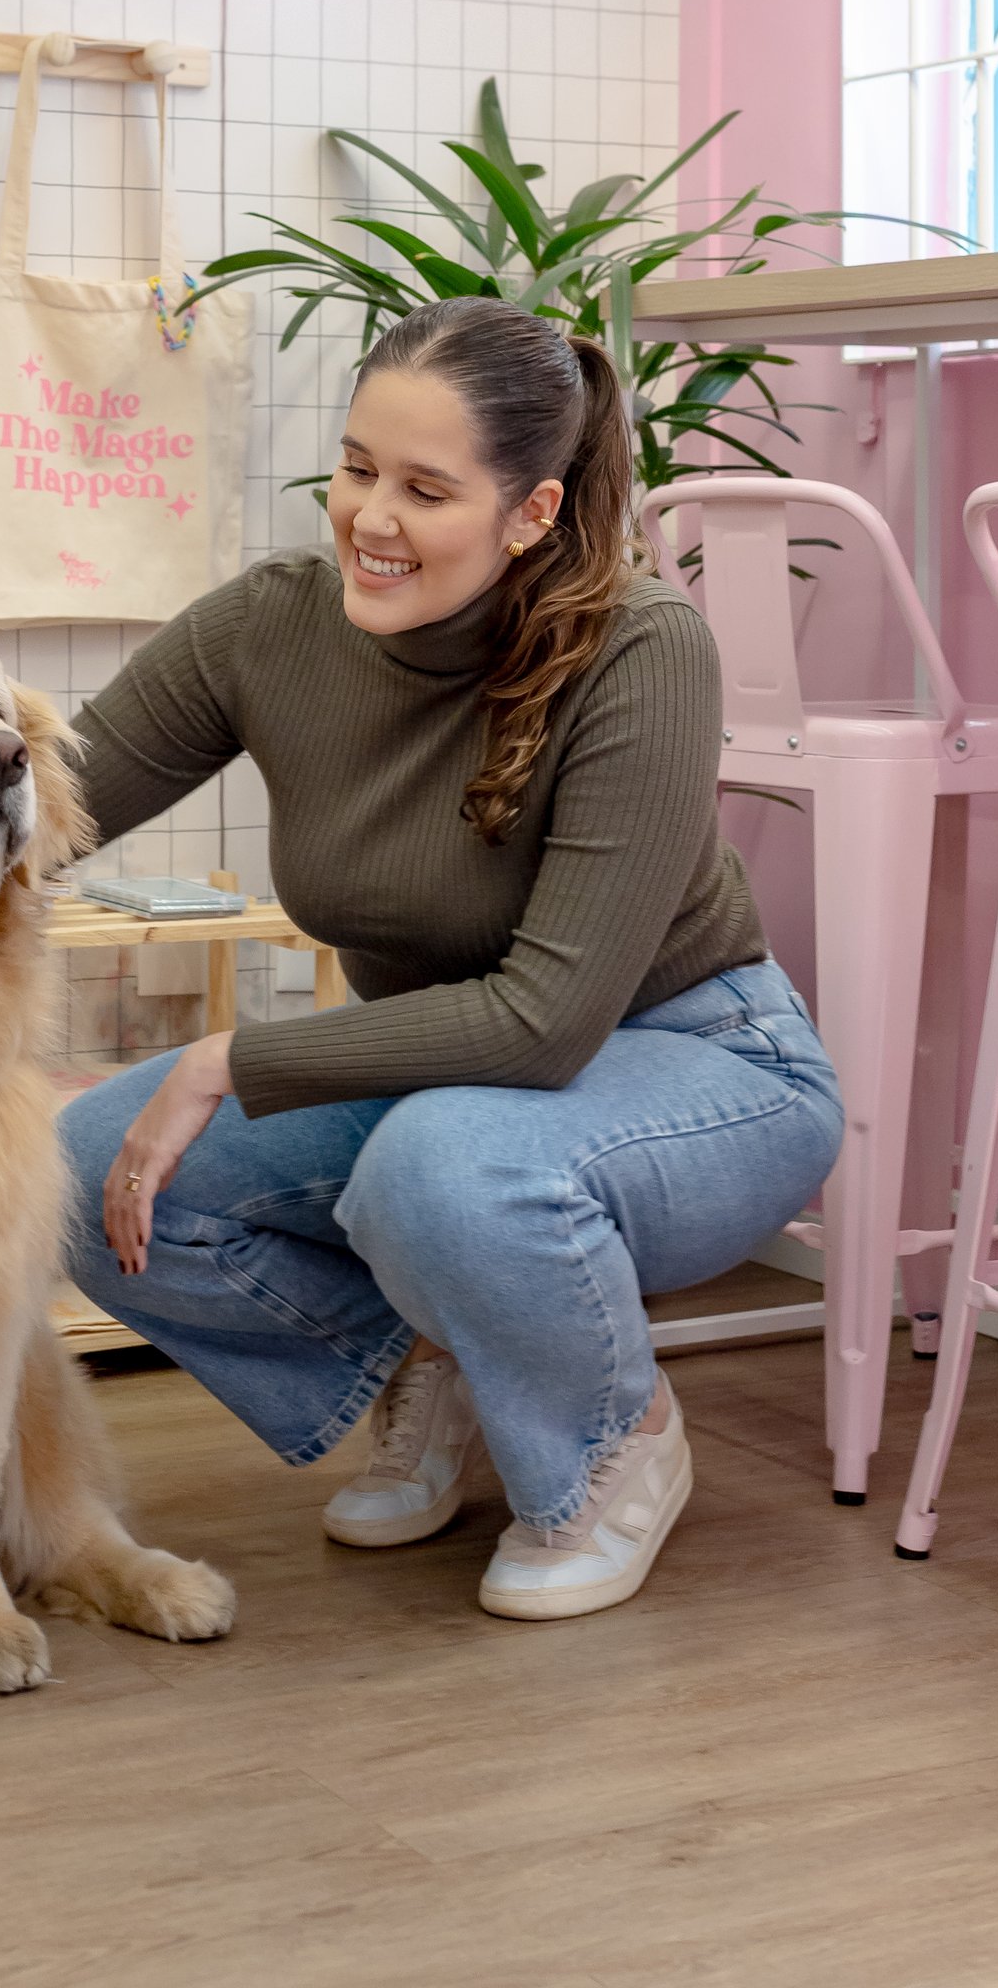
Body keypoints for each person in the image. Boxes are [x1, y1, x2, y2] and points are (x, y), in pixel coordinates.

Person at [58, 296, 843, 1622]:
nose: (371, 516)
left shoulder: (643, 651)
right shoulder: (273, 625)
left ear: (529, 512)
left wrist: (232, 1057)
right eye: (359, 467)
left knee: (446, 1166)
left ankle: (610, 1442)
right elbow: (52, 798)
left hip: (696, 1061)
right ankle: (445, 1358)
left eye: (426, 489)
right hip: (446, 1077)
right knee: (87, 1169)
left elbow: (545, 1022)